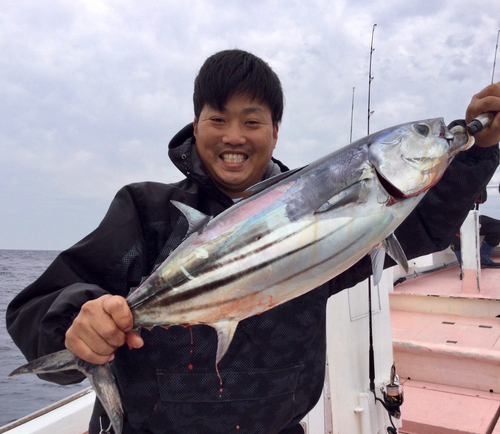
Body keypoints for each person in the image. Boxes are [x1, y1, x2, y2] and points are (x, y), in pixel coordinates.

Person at [6, 49, 500, 434]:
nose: (234, 136)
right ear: (195, 125)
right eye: (217, 119)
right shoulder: (146, 211)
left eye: (252, 120)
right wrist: (78, 323)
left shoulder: (342, 219)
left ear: (275, 131)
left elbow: (427, 228)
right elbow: (35, 307)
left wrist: (480, 151)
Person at [452, 186, 500, 269]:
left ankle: (482, 259)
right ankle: (466, 267)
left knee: (497, 226)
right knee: (458, 234)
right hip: (453, 221)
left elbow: (481, 200)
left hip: (470, 217)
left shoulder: (471, 181)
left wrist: (482, 184)